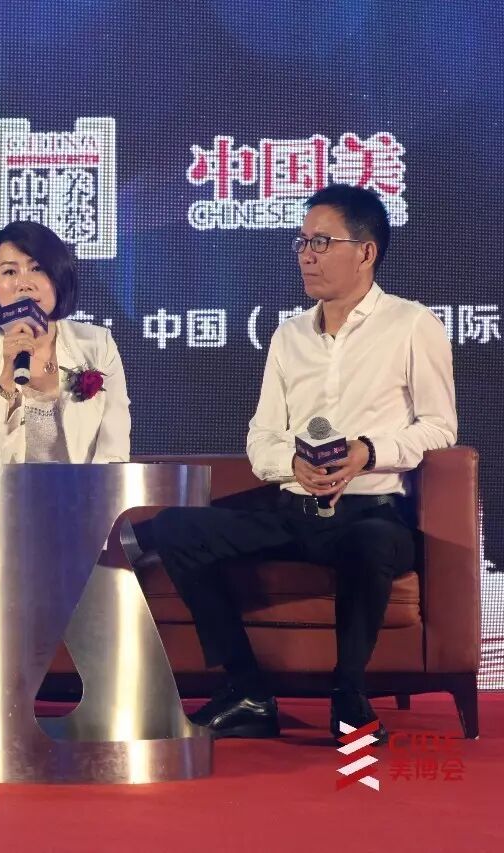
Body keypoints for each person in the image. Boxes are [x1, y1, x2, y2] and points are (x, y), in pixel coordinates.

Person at [132, 185, 456, 744]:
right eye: (302, 242)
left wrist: (368, 451)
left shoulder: (411, 324)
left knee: (370, 544)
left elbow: (439, 427)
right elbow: (261, 437)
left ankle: (349, 694)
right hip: (294, 508)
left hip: (372, 511)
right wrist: (292, 466)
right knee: (175, 529)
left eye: (321, 242)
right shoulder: (289, 335)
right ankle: (247, 690)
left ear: (366, 251)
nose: (306, 255)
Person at [0, 220, 131, 558]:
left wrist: (80, 507)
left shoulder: (97, 345)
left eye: (37, 268)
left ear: (58, 276)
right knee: (31, 545)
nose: (24, 282)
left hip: (84, 510)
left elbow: (114, 450)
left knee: (64, 544)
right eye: (10, 272)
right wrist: (5, 380)